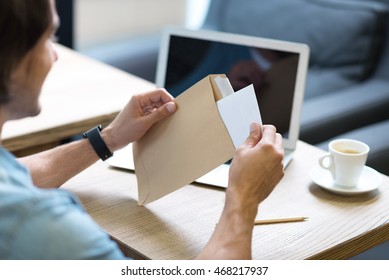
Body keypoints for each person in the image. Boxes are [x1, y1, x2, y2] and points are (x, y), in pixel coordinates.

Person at [0, 0, 284, 260]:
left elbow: (14, 174)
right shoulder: (43, 227)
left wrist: (108, 138)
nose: (55, 55)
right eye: (50, 37)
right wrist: (244, 197)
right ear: (13, 57)